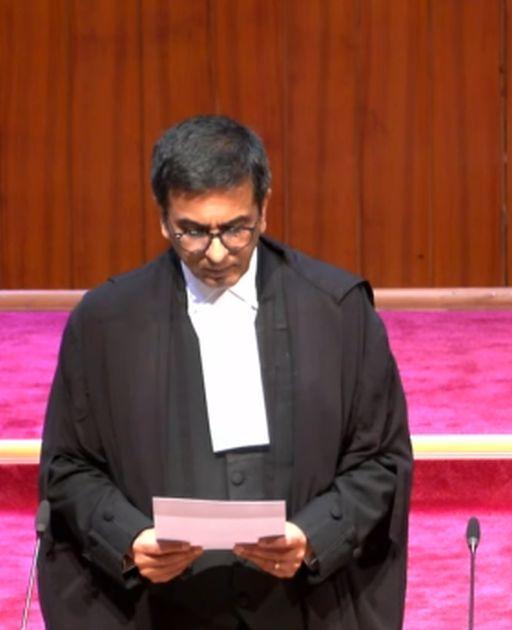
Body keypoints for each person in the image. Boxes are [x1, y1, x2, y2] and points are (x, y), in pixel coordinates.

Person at [37, 114, 412, 629]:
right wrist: (127, 538)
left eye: (236, 229)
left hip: (304, 606)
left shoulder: (338, 312)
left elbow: (382, 460)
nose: (215, 253)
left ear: (264, 208)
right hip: (160, 611)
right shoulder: (104, 323)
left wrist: (315, 534)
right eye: (192, 232)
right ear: (163, 217)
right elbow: (68, 466)